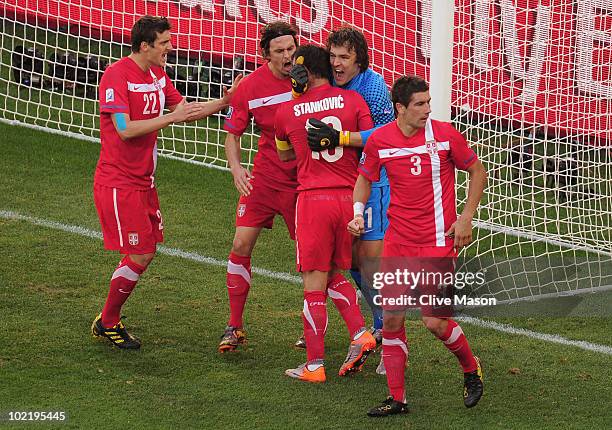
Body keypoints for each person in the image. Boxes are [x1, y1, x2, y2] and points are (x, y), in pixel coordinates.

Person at [92, 15, 241, 349]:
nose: (170, 48)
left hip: (144, 182)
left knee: (144, 250)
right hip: (119, 183)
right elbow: (125, 129)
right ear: (145, 45)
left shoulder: (158, 75)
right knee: (142, 252)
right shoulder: (116, 76)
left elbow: (185, 111)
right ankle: (108, 321)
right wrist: (169, 118)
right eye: (164, 43)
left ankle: (108, 317)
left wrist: (225, 102)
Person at [347, 76, 487, 416]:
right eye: (419, 104)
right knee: (392, 319)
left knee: (435, 323)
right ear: (400, 108)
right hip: (398, 242)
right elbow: (364, 179)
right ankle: (398, 398)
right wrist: (357, 213)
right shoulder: (380, 141)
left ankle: (471, 369)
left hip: (438, 243)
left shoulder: (444, 135)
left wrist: (466, 217)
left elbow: (477, 171)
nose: (427, 110)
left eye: (428, 102)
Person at [275, 44, 376, 383]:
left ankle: (315, 365)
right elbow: (370, 142)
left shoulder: (287, 111)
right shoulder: (354, 101)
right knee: (335, 272)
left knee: (313, 284)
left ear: (302, 72)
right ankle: (361, 332)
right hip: (350, 200)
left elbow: (286, 157)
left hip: (313, 201)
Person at [295, 27, 393, 375]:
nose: (336, 64)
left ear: (359, 59)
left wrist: (341, 136)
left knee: (371, 265)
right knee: (347, 262)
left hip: (374, 184)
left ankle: (389, 339)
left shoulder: (374, 87)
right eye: (333, 56)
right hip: (343, 189)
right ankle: (366, 330)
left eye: (344, 57)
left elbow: (384, 136)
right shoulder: (330, 87)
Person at [218, 21, 299, 352]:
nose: (287, 56)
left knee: (311, 259)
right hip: (264, 179)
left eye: (291, 49)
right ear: (265, 54)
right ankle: (234, 326)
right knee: (240, 244)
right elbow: (232, 134)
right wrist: (236, 168)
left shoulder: (308, 78)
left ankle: (313, 328)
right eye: (279, 51)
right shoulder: (251, 86)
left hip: (303, 182)